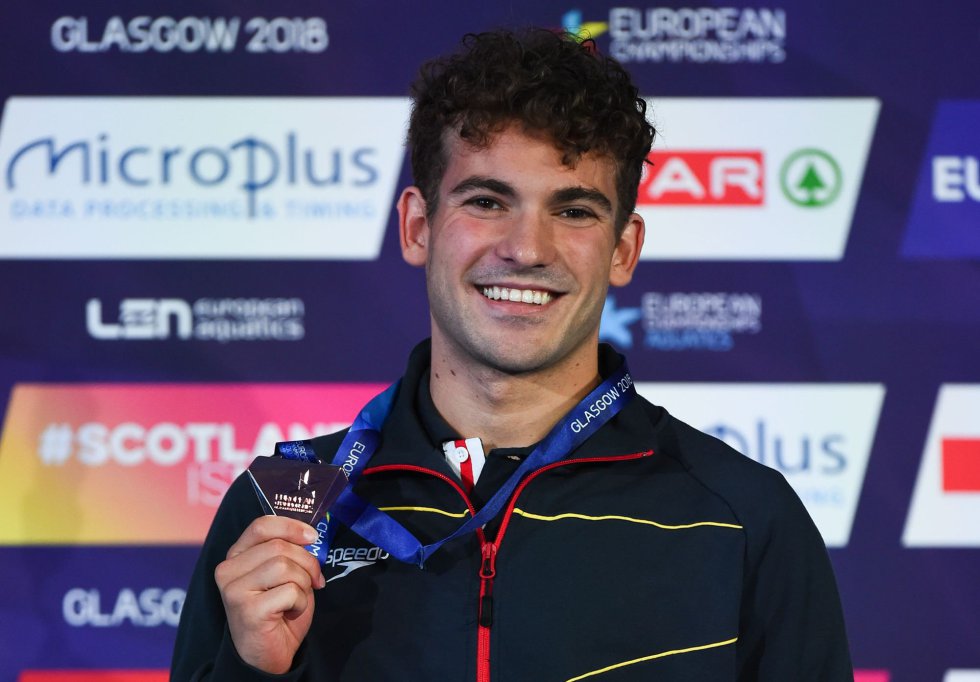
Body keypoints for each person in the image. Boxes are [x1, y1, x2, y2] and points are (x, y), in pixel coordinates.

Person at [172, 28, 852, 681]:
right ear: (417, 226)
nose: (527, 249)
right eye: (489, 200)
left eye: (575, 210)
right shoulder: (287, 512)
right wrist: (254, 673)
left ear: (623, 249)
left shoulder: (742, 518)